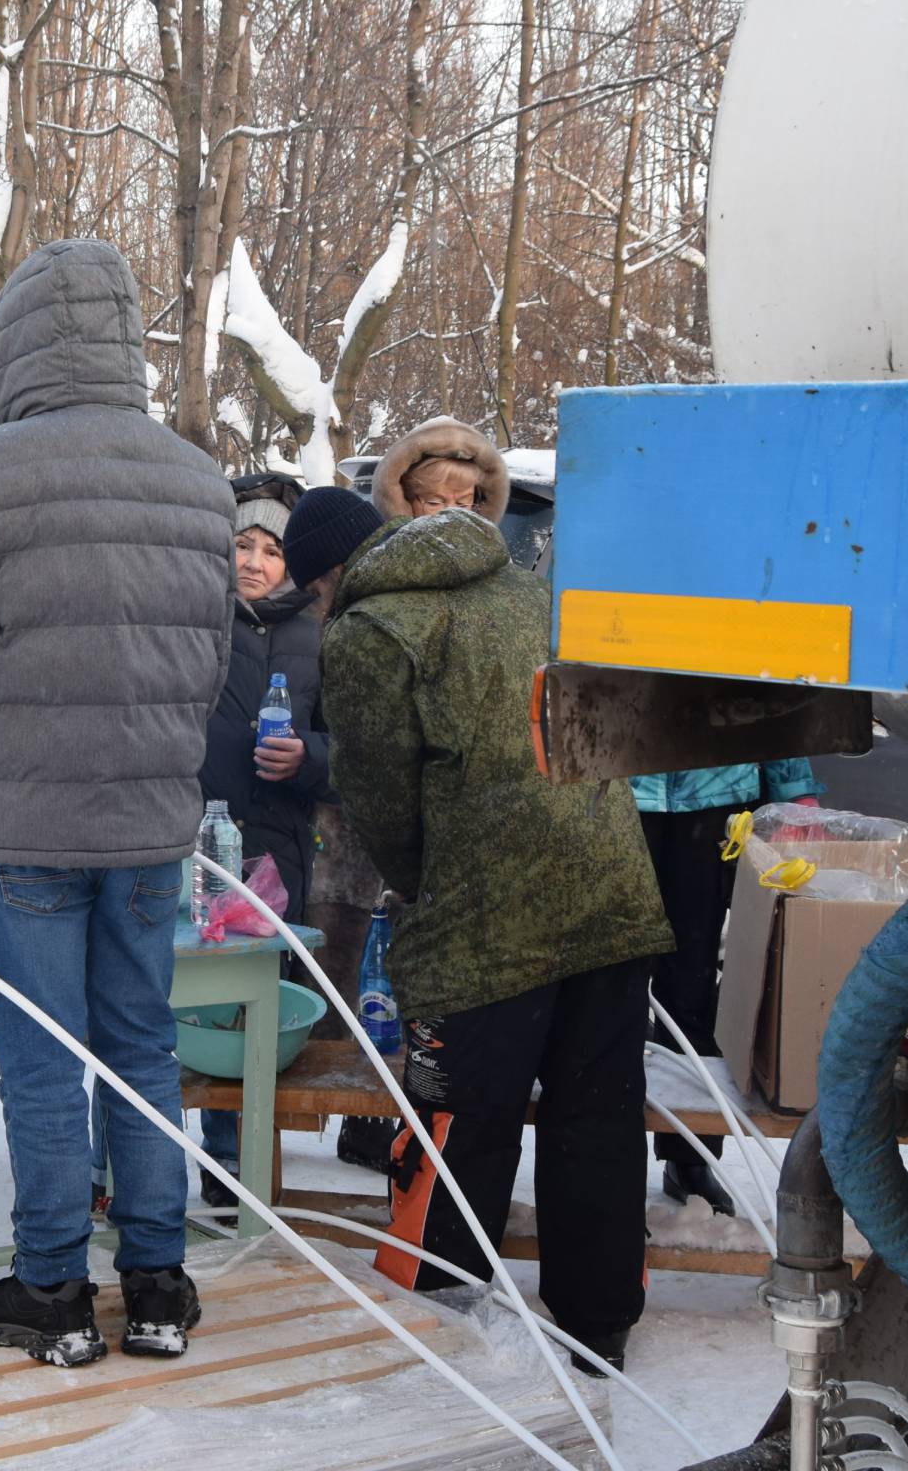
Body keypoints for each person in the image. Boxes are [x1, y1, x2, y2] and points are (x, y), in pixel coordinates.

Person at [0, 238, 235, 1368]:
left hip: (21, 829)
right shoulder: (197, 475)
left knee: (41, 1060)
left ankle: (52, 1285)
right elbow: (208, 666)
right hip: (149, 825)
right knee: (143, 1046)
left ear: (10, 349)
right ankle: (159, 1282)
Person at [285, 486, 672, 1371]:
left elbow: (377, 795)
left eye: (313, 591)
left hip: (483, 916)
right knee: (599, 1115)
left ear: (332, 574)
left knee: (457, 1120)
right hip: (612, 888)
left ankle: (440, 1309)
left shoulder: (371, 632)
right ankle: (599, 1319)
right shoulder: (529, 592)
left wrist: (421, 884)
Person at [182, 474, 334, 1206]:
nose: (253, 562)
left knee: (249, 1008)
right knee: (158, 1001)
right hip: (186, 839)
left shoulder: (317, 635)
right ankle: (112, 1161)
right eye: (241, 544)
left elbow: (352, 752)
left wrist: (310, 758)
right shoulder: (189, 615)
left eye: (271, 550)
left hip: (275, 847)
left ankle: (232, 1166)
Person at [629, 759, 821, 1213]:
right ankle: (608, 1170)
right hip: (615, 787)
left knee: (693, 990)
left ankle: (690, 1157)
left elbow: (773, 695)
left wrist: (793, 789)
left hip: (715, 792)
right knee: (609, 994)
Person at [370, 417, 510, 523]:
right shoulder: (382, 558)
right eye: (434, 503)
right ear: (405, 501)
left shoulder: (494, 558)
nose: (451, 514)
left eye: (463, 504)